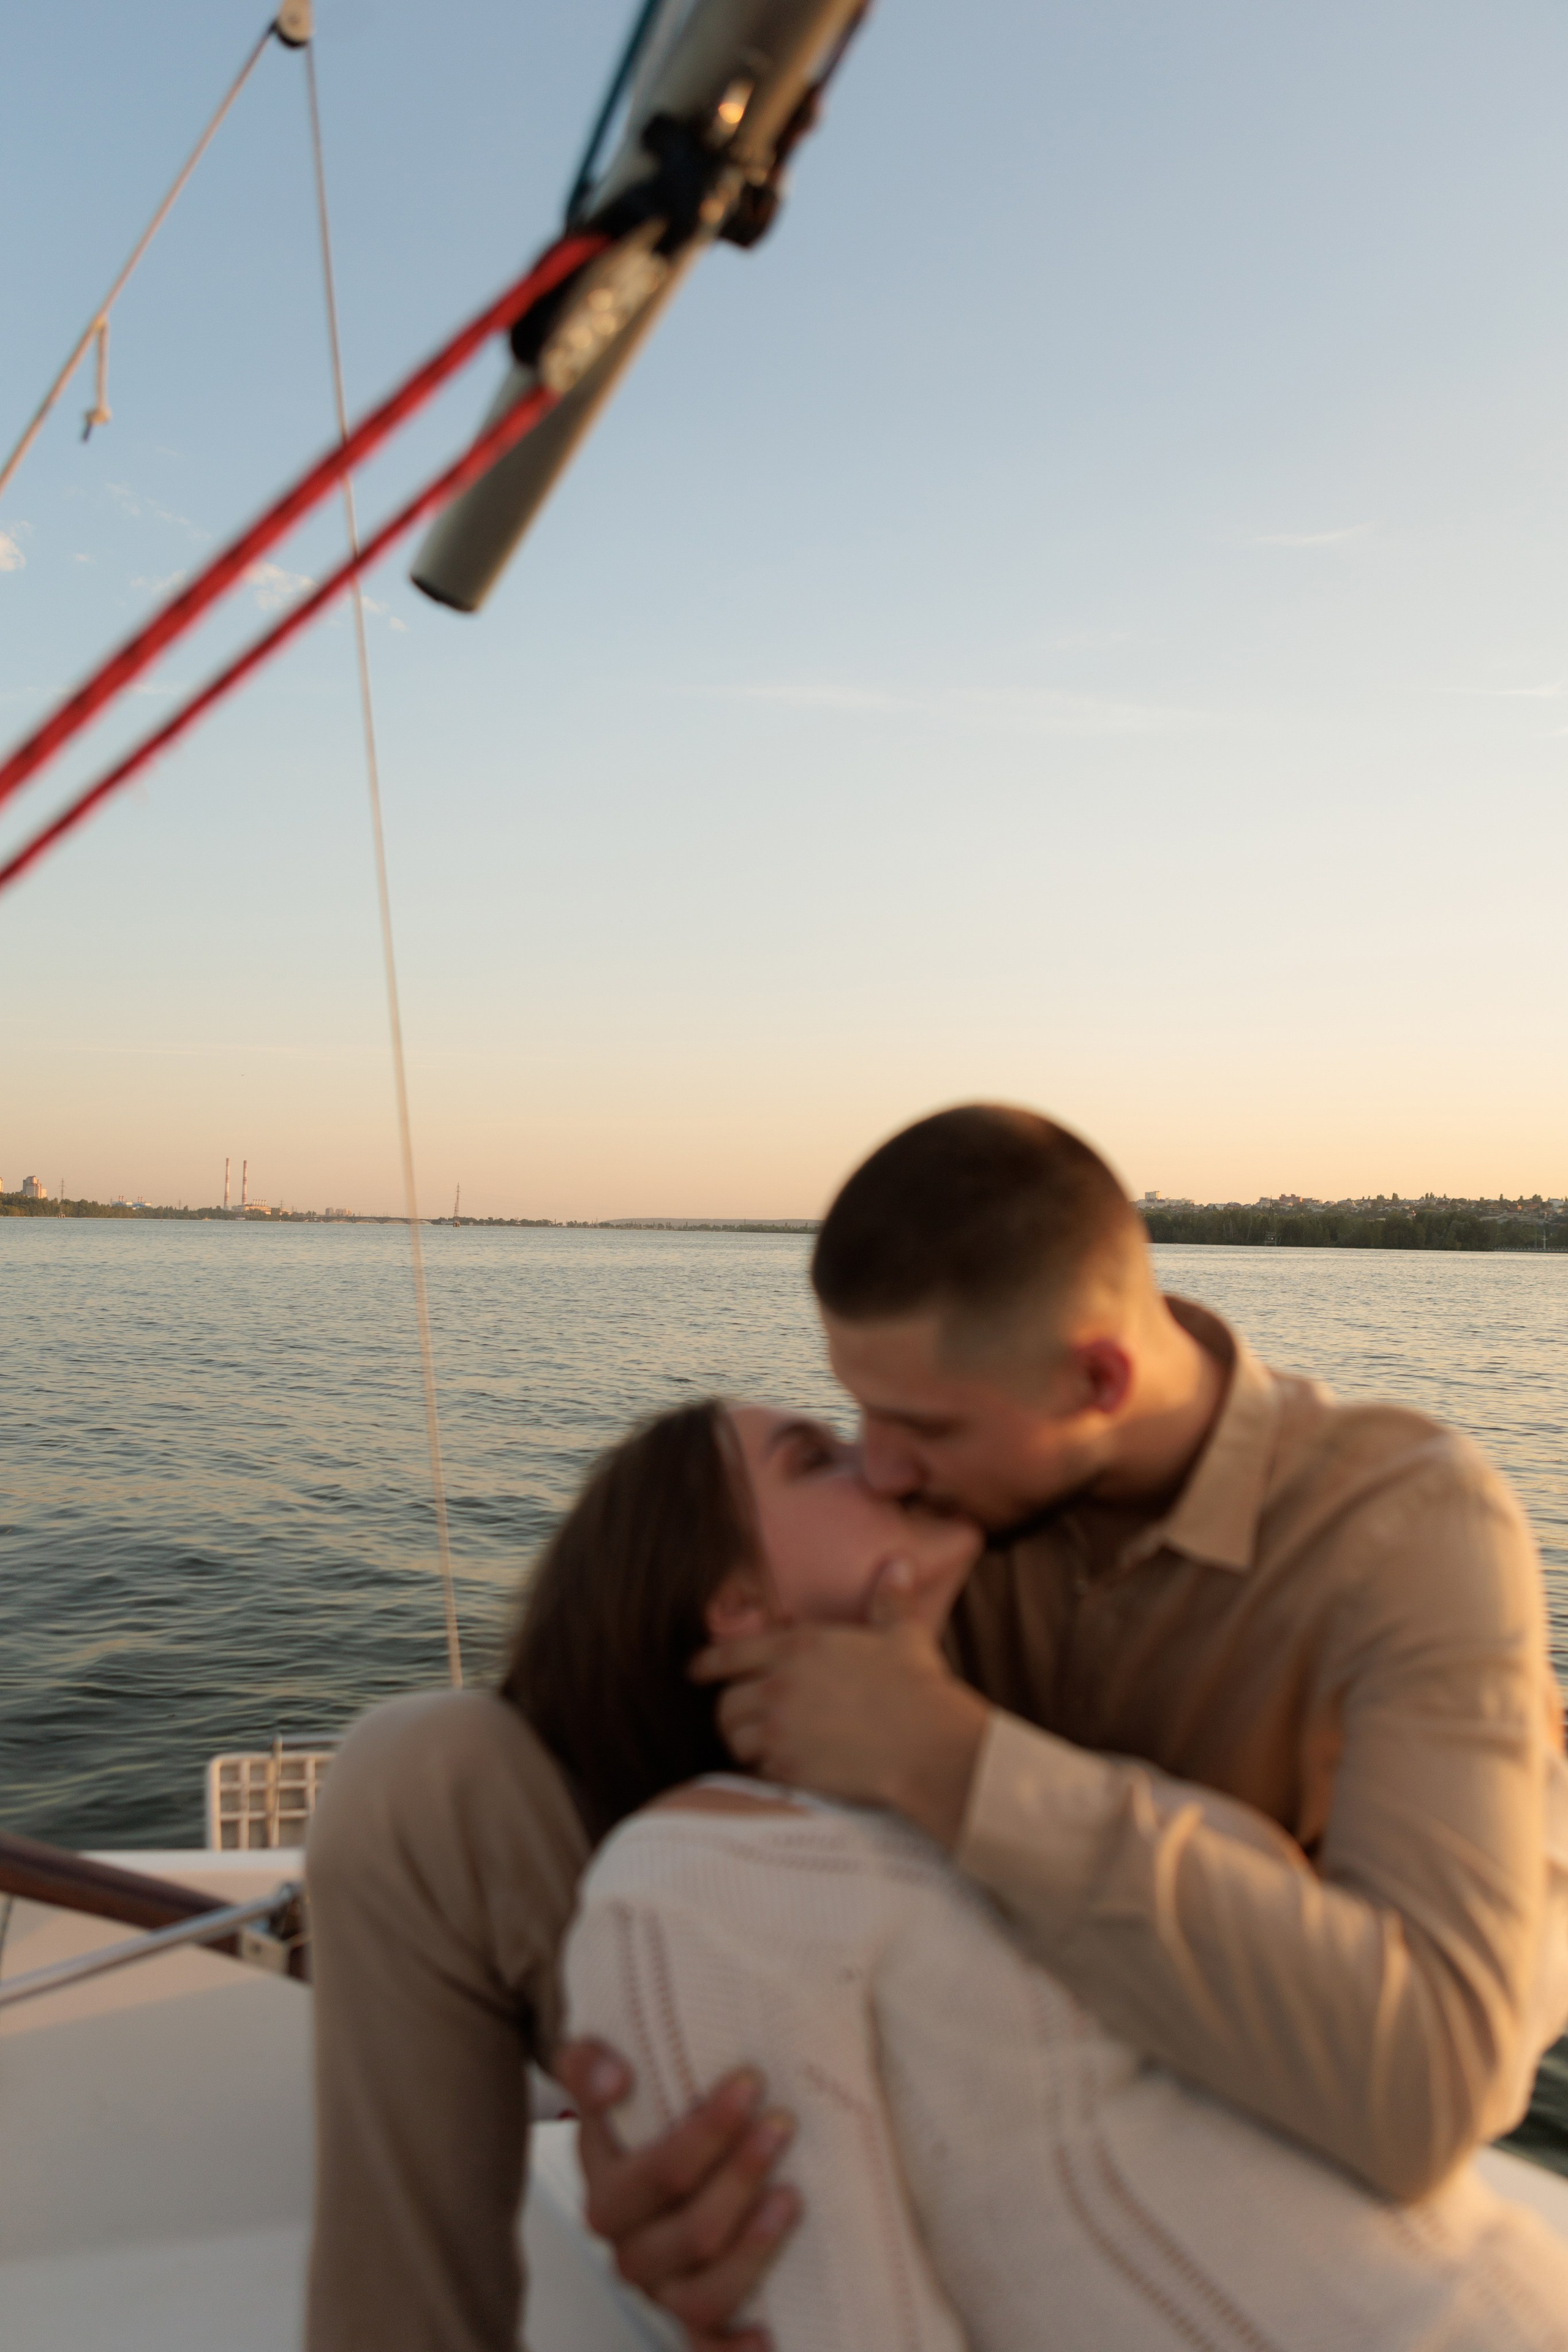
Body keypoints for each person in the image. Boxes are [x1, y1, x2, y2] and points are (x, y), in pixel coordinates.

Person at [305, 1106, 1567, 2352]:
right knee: (425, 1772)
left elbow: (1430, 2089)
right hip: (909, 2023)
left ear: (1096, 1380)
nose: (883, 1466)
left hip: (1217, 2091)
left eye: (922, 1430)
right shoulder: (942, 1507)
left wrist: (946, 1755)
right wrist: (643, 2122)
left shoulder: (1402, 1529)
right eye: (856, 1414)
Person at [546, 1396, 1568, 2349]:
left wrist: (1519, 1794)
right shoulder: (690, 1872)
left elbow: (1424, 2037)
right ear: (735, 1603)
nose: (890, 1466)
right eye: (819, 1459)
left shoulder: (989, 1762)